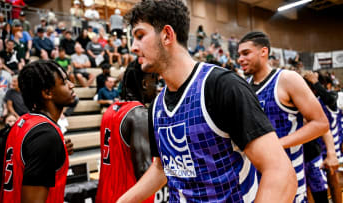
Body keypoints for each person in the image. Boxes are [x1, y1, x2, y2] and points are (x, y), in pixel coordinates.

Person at [118, 0, 297, 202]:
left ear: (167, 35)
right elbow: (161, 168)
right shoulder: (156, 106)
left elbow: (281, 173)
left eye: (140, 36)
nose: (133, 47)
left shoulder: (223, 86)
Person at [238, 31, 329, 202]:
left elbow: (321, 123)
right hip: (257, 181)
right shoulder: (243, 87)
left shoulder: (287, 79)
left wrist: (276, 144)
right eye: (239, 55)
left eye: (246, 53)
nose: (240, 59)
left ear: (263, 52)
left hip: (289, 177)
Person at [0, 60, 76, 202]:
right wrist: (50, 145)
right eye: (64, 82)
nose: (72, 85)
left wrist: (57, 150)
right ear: (47, 93)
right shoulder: (46, 136)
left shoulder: (23, 123)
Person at [96, 59, 157, 203]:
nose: (157, 87)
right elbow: (144, 172)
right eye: (156, 81)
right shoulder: (140, 115)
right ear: (144, 83)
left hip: (105, 196)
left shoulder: (110, 110)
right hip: (128, 197)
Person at [304, 71, 341, 203]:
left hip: (330, 147)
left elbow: (329, 98)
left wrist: (315, 81)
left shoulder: (330, 97)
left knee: (333, 182)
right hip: (315, 148)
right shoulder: (306, 101)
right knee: (313, 186)